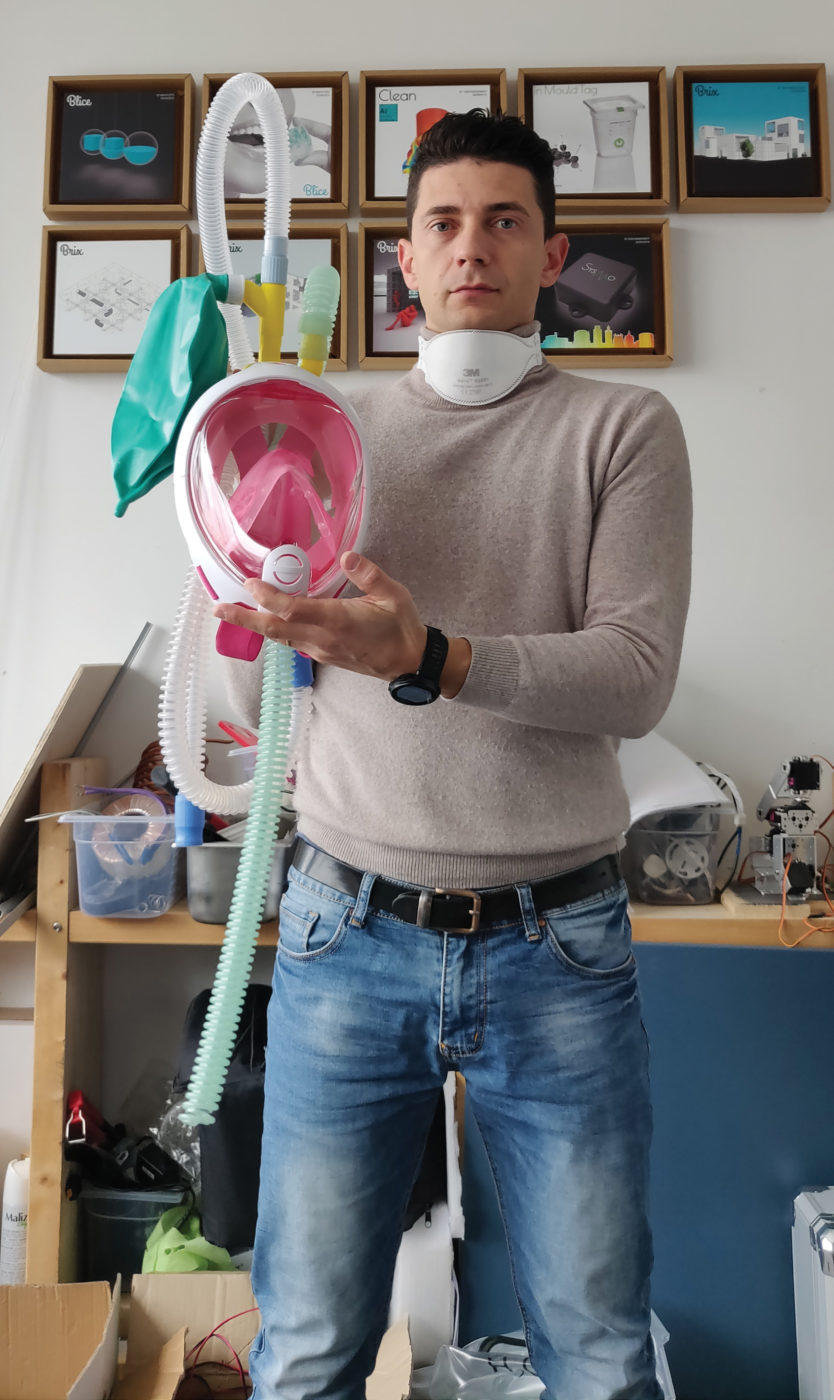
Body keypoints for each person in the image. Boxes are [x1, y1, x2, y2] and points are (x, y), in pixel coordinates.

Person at [217, 110, 692, 1400]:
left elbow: (635, 678)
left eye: (504, 219)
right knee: (307, 1346)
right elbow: (249, 689)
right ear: (405, 267)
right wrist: (224, 555)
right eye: (442, 222)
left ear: (553, 257)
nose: (470, 245)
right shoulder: (322, 428)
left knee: (598, 1349)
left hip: (561, 945)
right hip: (340, 932)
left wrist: (430, 654)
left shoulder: (624, 428)